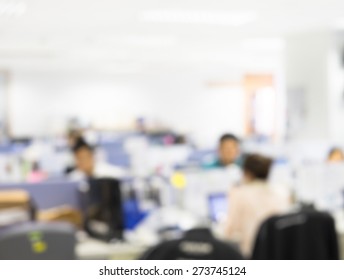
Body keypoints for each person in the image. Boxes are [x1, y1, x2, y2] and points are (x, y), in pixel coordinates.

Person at [224, 153, 291, 257]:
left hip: (252, 254)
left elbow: (229, 232)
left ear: (247, 173)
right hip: (279, 253)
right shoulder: (282, 192)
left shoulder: (240, 194)